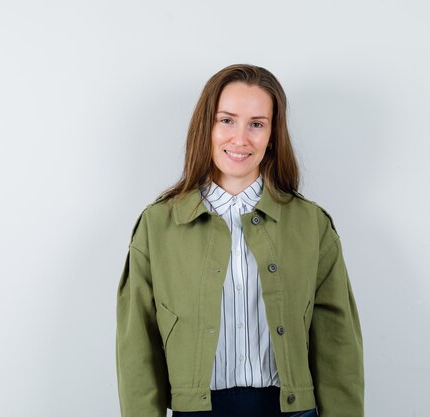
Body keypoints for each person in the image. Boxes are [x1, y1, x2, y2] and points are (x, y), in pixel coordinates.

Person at [116, 64, 364, 417]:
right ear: (207, 127)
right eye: (227, 120)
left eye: (257, 124)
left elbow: (339, 346)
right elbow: (136, 348)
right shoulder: (158, 226)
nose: (240, 138)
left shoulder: (311, 225)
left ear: (272, 135)